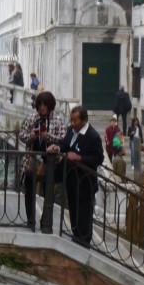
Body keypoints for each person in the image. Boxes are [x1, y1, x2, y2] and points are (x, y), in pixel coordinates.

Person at [48, 106, 103, 247]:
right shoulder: (70, 131)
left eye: (75, 120)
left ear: (84, 120)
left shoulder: (93, 136)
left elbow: (98, 158)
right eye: (71, 120)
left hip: (86, 183)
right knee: (73, 208)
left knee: (84, 212)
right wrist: (58, 148)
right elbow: (65, 144)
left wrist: (80, 157)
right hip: (71, 179)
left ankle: (84, 241)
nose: (72, 123)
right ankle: (76, 235)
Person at [18, 91, 67, 230]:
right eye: (40, 105)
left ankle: (46, 222)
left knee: (48, 193)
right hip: (32, 158)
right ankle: (30, 220)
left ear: (50, 106)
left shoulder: (57, 119)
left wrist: (48, 137)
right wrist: (32, 136)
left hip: (50, 162)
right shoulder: (32, 118)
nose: (42, 107)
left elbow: (63, 138)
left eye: (45, 105)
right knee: (29, 191)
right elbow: (22, 135)